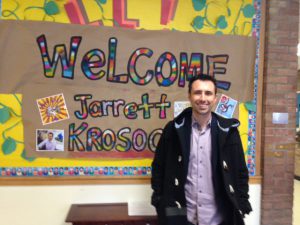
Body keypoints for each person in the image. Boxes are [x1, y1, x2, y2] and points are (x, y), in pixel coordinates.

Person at [151, 75, 252, 225]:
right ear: (189, 96)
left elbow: (240, 172)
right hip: (181, 216)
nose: (203, 98)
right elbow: (158, 168)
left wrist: (242, 203)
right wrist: (159, 201)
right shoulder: (173, 130)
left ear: (215, 98)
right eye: (198, 92)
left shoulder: (229, 132)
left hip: (219, 219)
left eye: (208, 93)